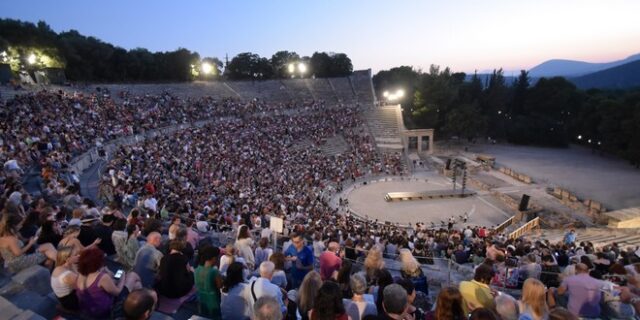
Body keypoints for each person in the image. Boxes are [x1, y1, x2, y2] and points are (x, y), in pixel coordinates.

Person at [75, 247, 141, 319]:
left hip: (88, 309)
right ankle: (140, 304)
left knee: (136, 285)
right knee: (133, 276)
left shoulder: (80, 274)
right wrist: (123, 277)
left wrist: (107, 271)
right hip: (105, 311)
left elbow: (111, 281)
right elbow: (117, 292)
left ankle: (138, 303)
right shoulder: (101, 277)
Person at [195, 246, 223, 319]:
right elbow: (220, 286)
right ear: (214, 258)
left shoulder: (197, 269)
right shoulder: (214, 271)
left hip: (201, 298)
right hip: (213, 300)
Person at [51, 246, 79, 311]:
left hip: (62, 298)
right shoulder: (67, 275)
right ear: (67, 259)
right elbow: (81, 287)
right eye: (75, 255)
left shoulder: (60, 267)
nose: (78, 255)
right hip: (70, 301)